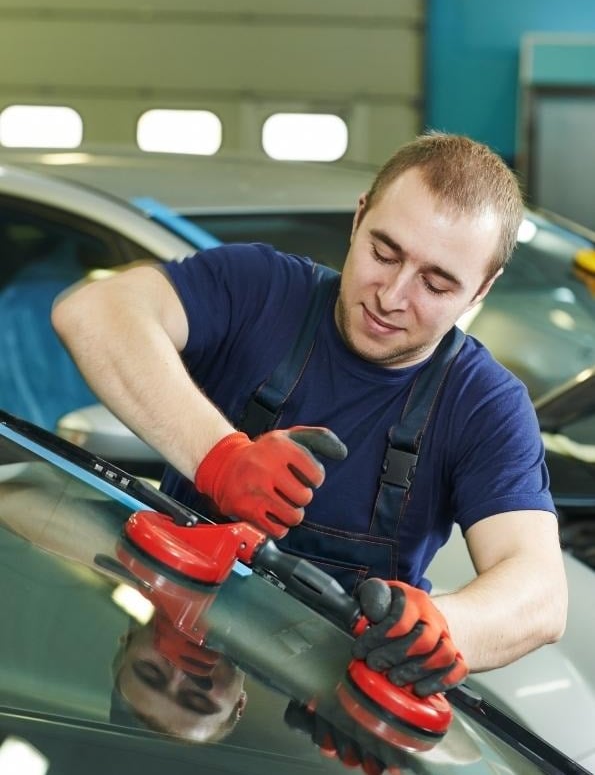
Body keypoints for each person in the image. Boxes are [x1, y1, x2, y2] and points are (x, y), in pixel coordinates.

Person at [51, 132, 568, 698]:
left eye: (435, 283)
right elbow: (94, 311)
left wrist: (444, 628)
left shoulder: (484, 405)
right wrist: (220, 459)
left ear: (481, 289)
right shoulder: (259, 292)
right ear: (359, 218)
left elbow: (539, 593)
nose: (392, 296)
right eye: (383, 253)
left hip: (331, 720)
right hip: (173, 647)